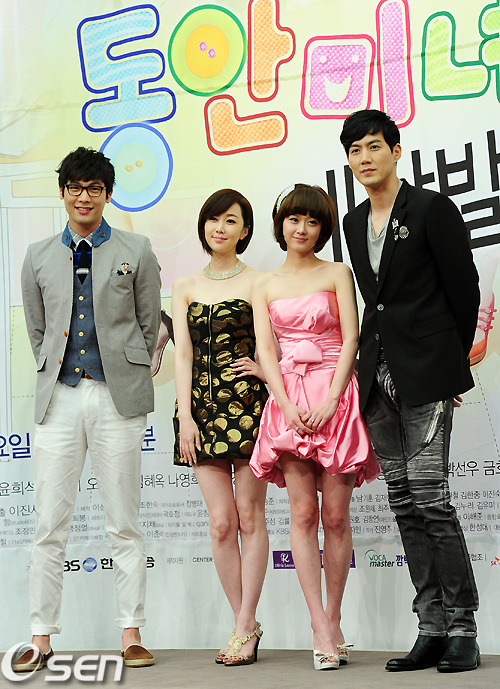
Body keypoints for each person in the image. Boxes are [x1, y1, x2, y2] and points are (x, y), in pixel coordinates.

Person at [340, 109, 481, 673]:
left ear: (396, 151)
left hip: (426, 372)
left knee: (432, 501)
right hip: (375, 376)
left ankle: (463, 629)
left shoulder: (430, 208)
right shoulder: (352, 221)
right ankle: (430, 627)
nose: (365, 158)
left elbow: (464, 290)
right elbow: (373, 302)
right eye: (355, 150)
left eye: (374, 146)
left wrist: (448, 366)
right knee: (402, 502)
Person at [16, 147, 161, 672]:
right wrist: (56, 367)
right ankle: (40, 636)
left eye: (94, 188)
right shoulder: (37, 254)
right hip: (59, 397)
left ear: (107, 194)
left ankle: (131, 632)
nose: (84, 196)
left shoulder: (135, 248)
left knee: (124, 520)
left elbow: (149, 322)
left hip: (116, 397)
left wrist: (125, 366)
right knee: (49, 523)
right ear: (63, 192)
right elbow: (37, 329)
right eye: (75, 187)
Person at [250, 184, 380, 671]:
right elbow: (267, 350)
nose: (301, 229)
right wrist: (284, 403)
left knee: (336, 517)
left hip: (335, 396)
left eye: (312, 221)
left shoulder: (337, 273)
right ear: (280, 224)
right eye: (293, 219)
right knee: (302, 514)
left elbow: (352, 339)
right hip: (289, 400)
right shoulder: (264, 283)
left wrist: (332, 399)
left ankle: (335, 617)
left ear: (322, 229)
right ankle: (318, 626)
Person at [172, 189, 269, 666]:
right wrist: (185, 417)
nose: (220, 227)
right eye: (214, 219)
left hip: (249, 410)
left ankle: (245, 625)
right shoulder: (185, 285)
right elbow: (183, 355)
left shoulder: (258, 281)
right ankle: (242, 622)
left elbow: (269, 346)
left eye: (231, 220)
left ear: (244, 230)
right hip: (201, 414)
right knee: (220, 522)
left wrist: (264, 373)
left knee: (250, 517)